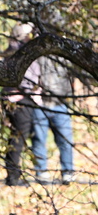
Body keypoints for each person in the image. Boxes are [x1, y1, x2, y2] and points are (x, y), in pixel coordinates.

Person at [0, 24, 41, 186]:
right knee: (18, 138)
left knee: (14, 137)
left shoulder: (10, 50)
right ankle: (13, 176)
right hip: (20, 99)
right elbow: (24, 78)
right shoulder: (22, 53)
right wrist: (30, 91)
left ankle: (13, 173)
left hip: (11, 98)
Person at [31, 54, 76, 184]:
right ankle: (41, 172)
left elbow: (70, 77)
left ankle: (68, 172)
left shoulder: (63, 57)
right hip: (40, 105)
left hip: (60, 104)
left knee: (66, 140)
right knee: (39, 140)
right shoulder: (37, 56)